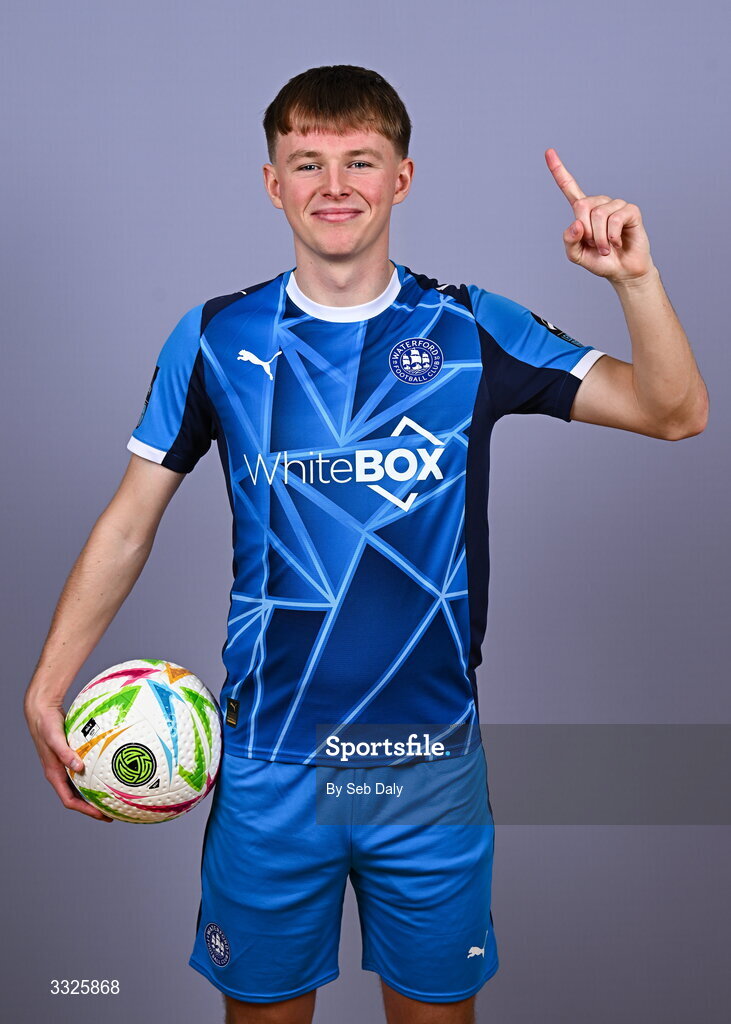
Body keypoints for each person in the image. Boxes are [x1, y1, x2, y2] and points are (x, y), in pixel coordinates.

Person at [24, 64, 708, 1024]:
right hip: (269, 765)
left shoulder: (471, 329)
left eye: (360, 160)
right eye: (307, 162)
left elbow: (674, 412)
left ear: (402, 178)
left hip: (424, 767)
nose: (333, 184)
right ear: (273, 182)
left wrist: (635, 280)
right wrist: (50, 681)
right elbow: (131, 518)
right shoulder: (216, 336)